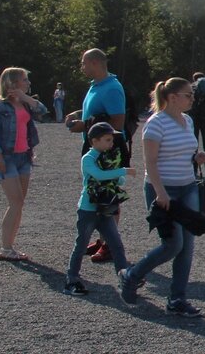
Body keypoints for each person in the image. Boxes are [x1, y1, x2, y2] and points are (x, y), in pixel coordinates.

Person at [118, 78, 205, 317]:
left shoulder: (187, 121)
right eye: (188, 95)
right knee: (173, 245)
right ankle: (132, 275)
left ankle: (177, 299)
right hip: (164, 189)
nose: (192, 99)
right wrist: (160, 192)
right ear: (172, 97)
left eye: (192, 95)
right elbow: (150, 162)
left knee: (187, 247)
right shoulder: (155, 124)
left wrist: (197, 156)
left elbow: (185, 151)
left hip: (187, 186)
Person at [69, 48, 129, 263]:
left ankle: (110, 244)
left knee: (109, 195)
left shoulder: (112, 87)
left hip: (108, 150)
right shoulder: (96, 86)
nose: (82, 67)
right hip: (95, 147)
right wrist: (79, 115)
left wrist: (84, 125)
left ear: (95, 62)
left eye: (84, 63)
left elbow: (117, 122)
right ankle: (103, 239)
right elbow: (99, 113)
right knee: (96, 192)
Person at [65, 122, 135, 295]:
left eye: (112, 140)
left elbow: (117, 181)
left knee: (116, 244)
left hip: (105, 208)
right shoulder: (88, 159)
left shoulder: (109, 157)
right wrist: (122, 171)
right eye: (107, 140)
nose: (111, 144)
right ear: (94, 141)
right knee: (81, 245)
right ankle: (71, 279)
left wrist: (119, 176)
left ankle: (125, 278)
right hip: (88, 209)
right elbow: (99, 175)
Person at [0, 68, 47, 262]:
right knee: (15, 202)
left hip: (24, 157)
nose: (28, 83)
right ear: (13, 83)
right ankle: (5, 248)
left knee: (19, 203)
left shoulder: (26, 103)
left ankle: (10, 246)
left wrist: (27, 98)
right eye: (24, 80)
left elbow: (43, 111)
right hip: (6, 158)